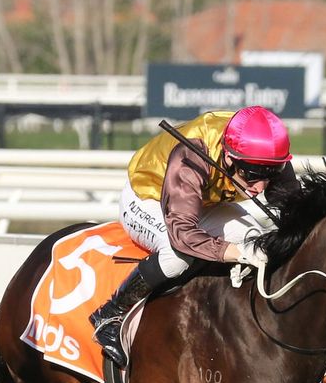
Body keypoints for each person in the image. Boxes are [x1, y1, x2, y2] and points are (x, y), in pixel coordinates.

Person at [90, 106, 295, 366]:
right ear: (229, 158)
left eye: (271, 174)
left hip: (202, 202)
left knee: (254, 236)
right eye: (252, 175)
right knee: (178, 257)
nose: (260, 188)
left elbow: (293, 206)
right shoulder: (192, 154)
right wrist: (237, 252)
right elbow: (183, 234)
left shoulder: (266, 154)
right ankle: (111, 313)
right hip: (149, 197)